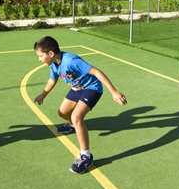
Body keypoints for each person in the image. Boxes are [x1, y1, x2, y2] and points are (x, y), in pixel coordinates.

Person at [33, 35, 127, 174]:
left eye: (41, 56)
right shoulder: (54, 64)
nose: (39, 59)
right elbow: (52, 80)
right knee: (62, 113)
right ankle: (73, 126)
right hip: (77, 88)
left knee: (77, 117)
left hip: (91, 88)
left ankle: (86, 157)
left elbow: (96, 72)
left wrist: (113, 91)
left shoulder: (71, 61)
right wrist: (43, 94)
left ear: (51, 53)